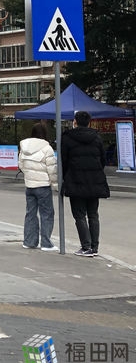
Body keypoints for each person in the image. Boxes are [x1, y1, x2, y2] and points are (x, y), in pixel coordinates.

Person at [61, 110, 109, 257]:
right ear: (89, 122)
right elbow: (103, 160)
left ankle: (86, 246)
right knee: (93, 214)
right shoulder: (97, 137)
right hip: (95, 180)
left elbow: (64, 161)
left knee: (79, 215)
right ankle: (94, 247)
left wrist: (66, 177)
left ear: (75, 122)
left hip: (75, 180)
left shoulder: (67, 138)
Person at [19, 123, 58, 251]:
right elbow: (52, 170)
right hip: (43, 186)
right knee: (46, 214)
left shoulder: (24, 147)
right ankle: (46, 243)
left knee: (30, 214)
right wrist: (56, 185)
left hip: (29, 185)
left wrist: (29, 175)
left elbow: (21, 165)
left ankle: (29, 241)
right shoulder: (47, 148)